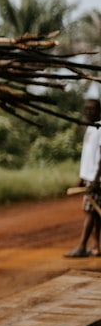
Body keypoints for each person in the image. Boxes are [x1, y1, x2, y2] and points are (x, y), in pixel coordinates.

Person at [65, 98, 101, 258]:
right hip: (89, 177)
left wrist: (95, 179)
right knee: (95, 213)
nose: (88, 112)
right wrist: (82, 176)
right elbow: (88, 155)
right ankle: (96, 246)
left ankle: (82, 246)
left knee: (89, 212)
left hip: (96, 180)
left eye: (92, 109)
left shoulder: (100, 128)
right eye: (86, 109)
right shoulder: (90, 128)